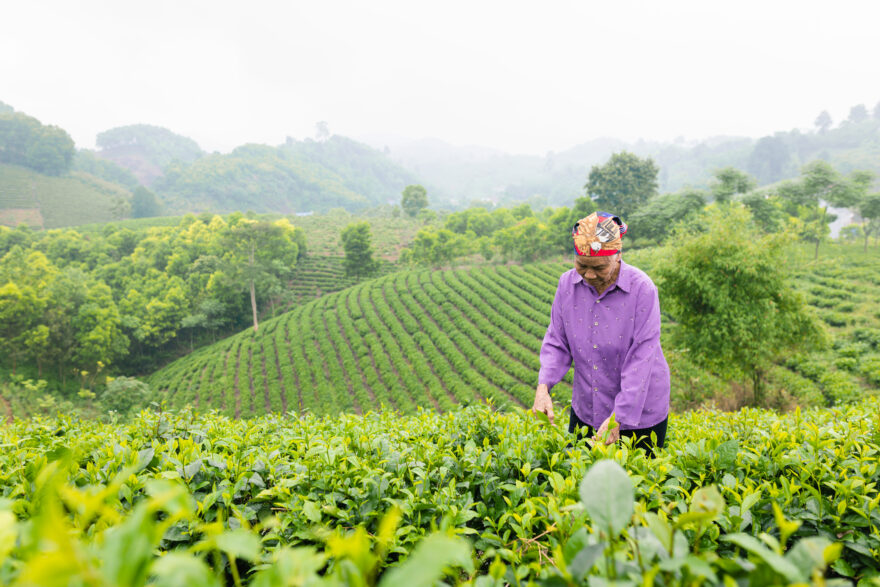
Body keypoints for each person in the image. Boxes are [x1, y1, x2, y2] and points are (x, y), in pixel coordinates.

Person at [531, 211, 670, 453]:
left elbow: (641, 359)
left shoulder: (642, 290)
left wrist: (619, 417)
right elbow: (557, 342)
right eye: (582, 266)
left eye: (599, 267)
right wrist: (543, 387)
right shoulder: (567, 285)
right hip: (587, 407)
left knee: (637, 484)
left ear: (618, 256)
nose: (589, 275)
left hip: (640, 412)